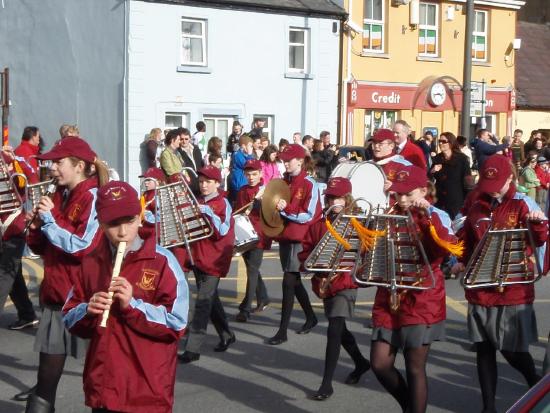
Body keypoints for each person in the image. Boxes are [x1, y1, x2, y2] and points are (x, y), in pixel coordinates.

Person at [62, 181, 189, 413]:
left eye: (129, 221)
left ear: (140, 217)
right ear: (100, 224)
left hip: (146, 390)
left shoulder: (162, 262)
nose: (122, 232)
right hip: (104, 387)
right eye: (113, 224)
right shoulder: (91, 261)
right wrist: (87, 310)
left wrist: (133, 306)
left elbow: (177, 323)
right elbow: (69, 316)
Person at [20, 137, 110, 412]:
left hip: (87, 300)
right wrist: (35, 228)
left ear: (79, 165)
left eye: (58, 163)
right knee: (45, 381)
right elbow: (47, 248)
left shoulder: (94, 197)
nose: (52, 169)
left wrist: (49, 220)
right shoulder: (59, 194)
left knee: (101, 383)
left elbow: (81, 245)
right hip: (56, 294)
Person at [452, 154, 547, 413]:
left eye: (498, 187)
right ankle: (488, 408)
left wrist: (539, 225)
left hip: (512, 290)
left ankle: (537, 385)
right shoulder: (476, 206)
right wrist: (459, 260)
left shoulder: (523, 203)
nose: (492, 193)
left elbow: (538, 242)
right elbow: (466, 241)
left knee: (511, 350)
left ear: (510, 179)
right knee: (484, 350)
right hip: (480, 289)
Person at [370, 164, 458, 413]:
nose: (404, 199)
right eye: (399, 194)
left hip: (422, 297)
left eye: (410, 194)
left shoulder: (436, 214)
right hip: (391, 294)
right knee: (379, 363)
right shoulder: (390, 212)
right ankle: (410, 407)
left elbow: (445, 249)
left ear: (423, 190)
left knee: (415, 366)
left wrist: (428, 216)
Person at [298, 177, 370, 401]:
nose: (333, 202)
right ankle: (360, 362)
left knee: (334, 329)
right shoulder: (318, 225)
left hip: (346, 282)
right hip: (325, 283)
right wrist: (308, 263)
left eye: (338, 198)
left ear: (347, 199)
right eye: (330, 198)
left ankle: (326, 384)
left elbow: (368, 252)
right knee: (340, 329)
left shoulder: (358, 222)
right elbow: (305, 253)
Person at [179, 165, 236, 363]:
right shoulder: (199, 200)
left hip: (215, 259)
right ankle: (227, 335)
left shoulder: (223, 203)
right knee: (211, 301)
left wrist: (208, 213)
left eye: (208, 182)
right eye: (201, 181)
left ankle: (192, 349)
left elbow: (222, 230)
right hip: (198, 257)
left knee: (203, 303)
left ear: (217, 184)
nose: (203, 185)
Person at [268, 144, 320, 345]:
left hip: (300, 238)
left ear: (300, 160)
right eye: (283, 160)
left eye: (289, 160)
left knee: (288, 281)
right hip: (285, 236)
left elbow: (308, 215)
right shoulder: (283, 182)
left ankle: (282, 331)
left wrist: (285, 209)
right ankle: (311, 316)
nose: (285, 163)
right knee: (294, 280)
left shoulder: (309, 183)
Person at [0, 150, 38, 329]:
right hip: (7, 229)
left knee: (4, 276)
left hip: (13, 228)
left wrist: (14, 160)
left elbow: (30, 177)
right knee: (13, 276)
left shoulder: (14, 163)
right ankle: (27, 314)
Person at [235, 160, 271, 322]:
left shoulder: (266, 191)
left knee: (252, 270)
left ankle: (246, 308)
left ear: (260, 174)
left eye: (254, 174)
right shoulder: (242, 190)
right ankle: (263, 298)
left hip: (259, 235)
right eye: (248, 174)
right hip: (244, 233)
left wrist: (262, 205)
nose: (251, 177)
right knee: (252, 268)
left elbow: (272, 216)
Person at [430, 132, 473, 219]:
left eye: (443, 141)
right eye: (439, 141)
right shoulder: (437, 159)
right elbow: (429, 180)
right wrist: (432, 171)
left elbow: (468, 182)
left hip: (456, 202)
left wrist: (467, 201)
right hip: (439, 202)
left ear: (451, 143)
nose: (440, 143)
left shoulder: (462, 159)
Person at [177, 127, 204, 195]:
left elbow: (201, 164)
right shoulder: (178, 152)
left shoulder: (196, 149)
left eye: (186, 139)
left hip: (199, 181)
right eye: (181, 139)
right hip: (189, 183)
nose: (184, 141)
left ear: (190, 138)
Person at [228, 134, 255, 201]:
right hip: (239, 185)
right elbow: (247, 166)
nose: (252, 148)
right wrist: (249, 154)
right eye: (250, 146)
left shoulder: (245, 155)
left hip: (244, 183)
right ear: (243, 146)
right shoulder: (237, 154)